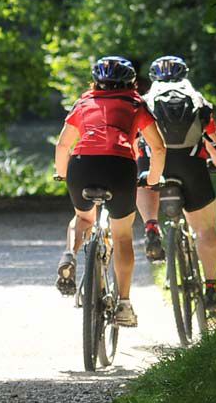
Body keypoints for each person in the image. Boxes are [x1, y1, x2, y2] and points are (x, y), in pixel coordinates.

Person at [54, 56, 166, 328]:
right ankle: (124, 305)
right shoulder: (136, 103)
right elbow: (159, 147)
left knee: (83, 218)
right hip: (120, 166)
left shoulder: (84, 102)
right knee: (122, 234)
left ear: (96, 82)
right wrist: (151, 179)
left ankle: (69, 254)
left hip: (82, 165)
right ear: (132, 83)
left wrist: (64, 174)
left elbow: (62, 145)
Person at [135, 55, 216, 318]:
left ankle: (151, 227)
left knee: (143, 176)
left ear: (154, 77)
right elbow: (215, 142)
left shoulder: (143, 102)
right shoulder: (197, 100)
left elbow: (136, 143)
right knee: (206, 231)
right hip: (191, 167)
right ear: (184, 75)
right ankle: (211, 291)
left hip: (155, 165)